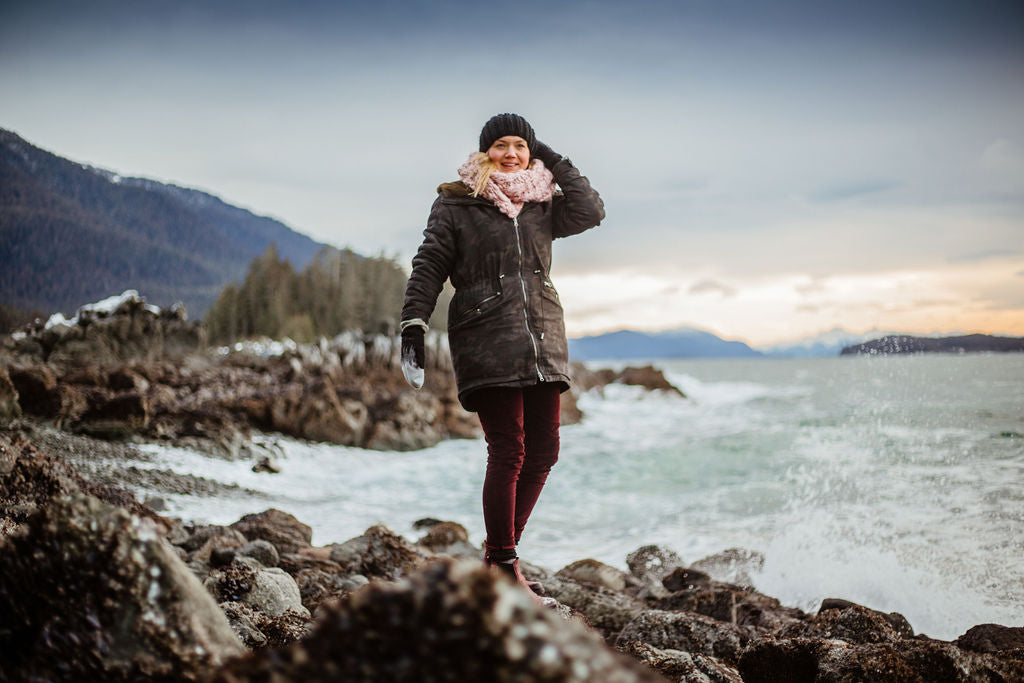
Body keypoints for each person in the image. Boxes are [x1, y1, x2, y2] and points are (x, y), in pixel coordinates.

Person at [399, 113, 604, 593]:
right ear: (484, 151)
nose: (510, 154)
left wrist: (549, 155)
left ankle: (498, 557)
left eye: (519, 145)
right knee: (509, 450)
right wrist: (413, 321)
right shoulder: (456, 204)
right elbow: (429, 264)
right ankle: (506, 563)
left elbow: (591, 209)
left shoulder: (543, 204)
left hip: (543, 338)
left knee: (545, 452)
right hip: (486, 335)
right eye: (500, 145)